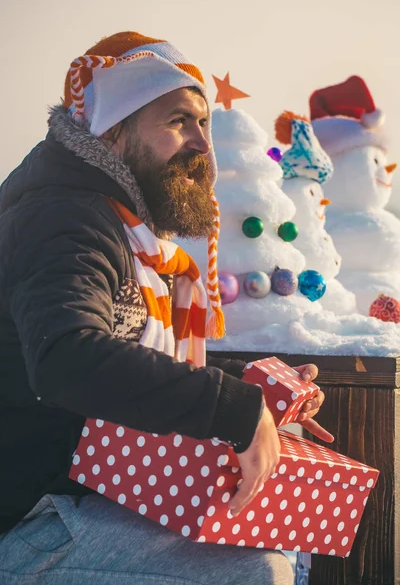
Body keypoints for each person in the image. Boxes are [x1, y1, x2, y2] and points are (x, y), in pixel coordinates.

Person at [0, 31, 332, 585]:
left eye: (203, 123)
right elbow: (66, 357)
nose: (203, 144)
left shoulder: (126, 230)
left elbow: (127, 354)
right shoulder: (64, 217)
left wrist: (254, 387)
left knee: (285, 545)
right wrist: (231, 405)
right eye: (179, 121)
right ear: (114, 130)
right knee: (255, 571)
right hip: (31, 518)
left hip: (88, 492)